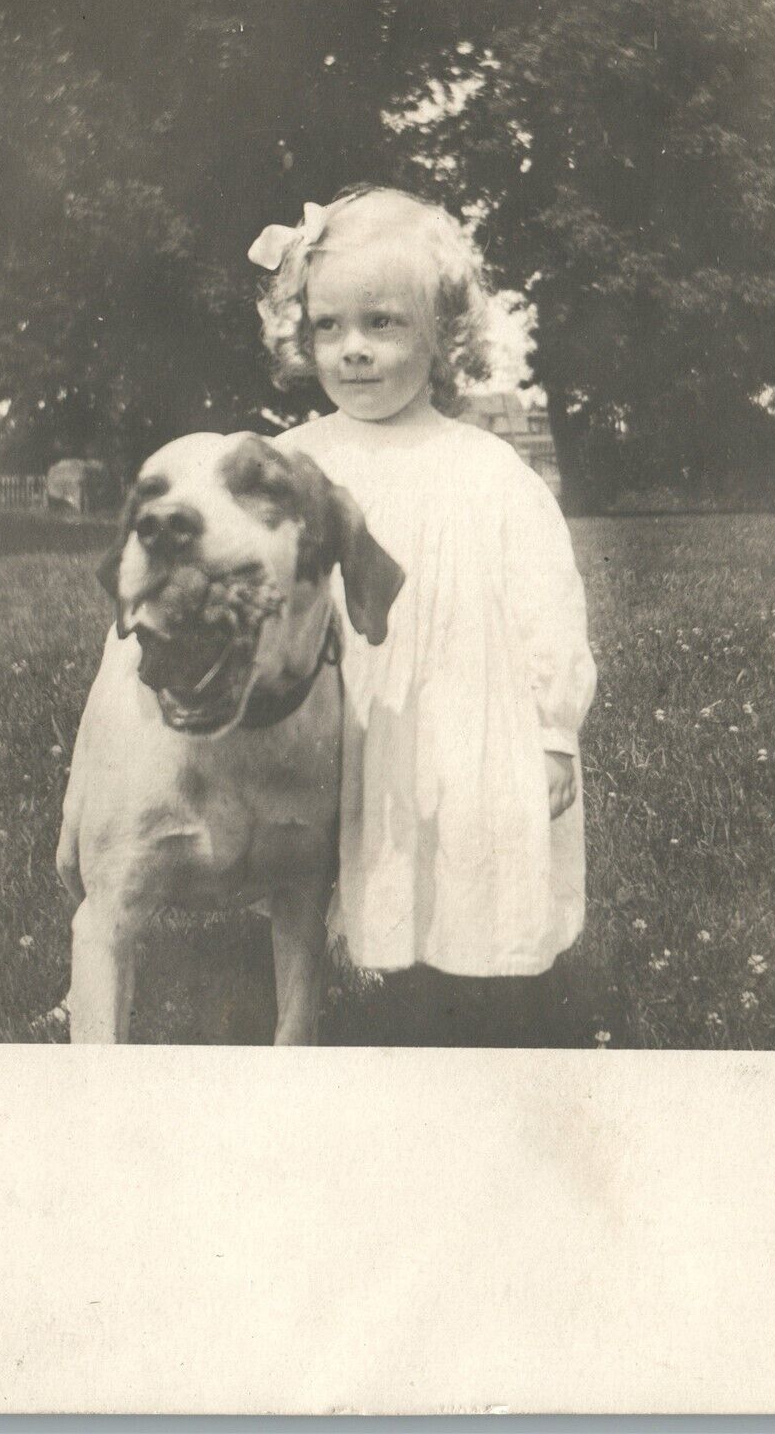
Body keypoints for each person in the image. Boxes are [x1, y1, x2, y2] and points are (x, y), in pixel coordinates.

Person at [249, 186, 597, 1044]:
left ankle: (465, 1010)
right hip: (335, 712)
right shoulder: (294, 461)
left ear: (440, 335)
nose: (353, 351)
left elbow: (546, 604)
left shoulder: (485, 470)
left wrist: (553, 730)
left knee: (461, 853)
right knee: (330, 864)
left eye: (382, 324)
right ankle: (320, 1003)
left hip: (457, 712)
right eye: (329, 327)